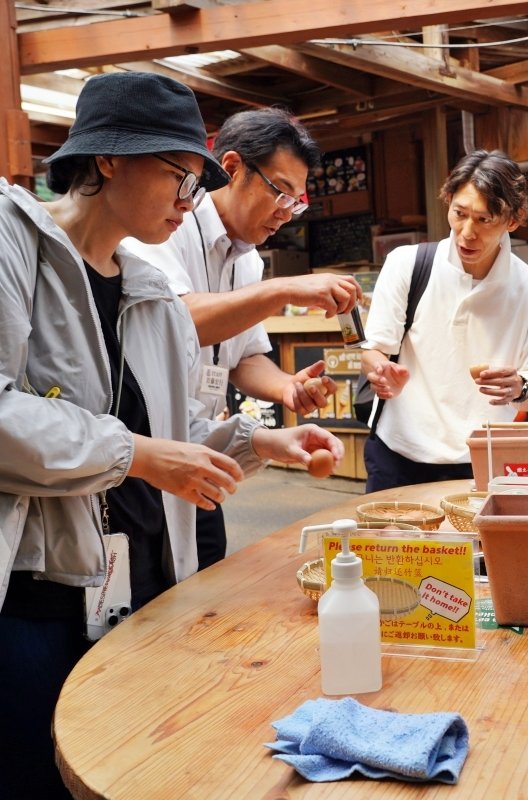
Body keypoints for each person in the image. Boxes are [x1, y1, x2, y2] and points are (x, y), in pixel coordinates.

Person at [0, 73, 339, 798]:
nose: (190, 202)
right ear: (108, 158)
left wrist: (254, 441)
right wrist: (138, 456)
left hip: (103, 599)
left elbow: (154, 425)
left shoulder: (144, 282)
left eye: (197, 185)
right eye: (180, 177)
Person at [126, 108, 360, 569]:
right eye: (280, 192)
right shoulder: (165, 229)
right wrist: (286, 288)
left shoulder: (248, 261)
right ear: (231, 168)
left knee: (206, 569)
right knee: (148, 584)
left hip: (204, 451)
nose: (286, 213)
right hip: (147, 452)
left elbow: (244, 356)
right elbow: (176, 321)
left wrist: (288, 387)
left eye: (297, 201)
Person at [361, 150, 528, 493]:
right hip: (398, 451)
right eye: (460, 214)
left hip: (484, 459)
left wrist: (519, 388)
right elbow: (374, 351)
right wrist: (381, 372)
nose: (467, 232)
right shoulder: (406, 264)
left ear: (512, 220)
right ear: (449, 201)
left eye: (484, 220)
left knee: (475, 549)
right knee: (388, 547)